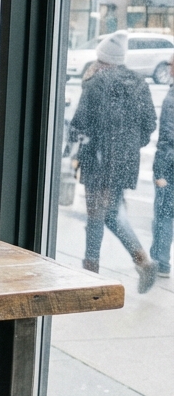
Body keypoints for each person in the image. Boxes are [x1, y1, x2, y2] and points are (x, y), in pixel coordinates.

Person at [69, 30, 157, 291]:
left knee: (97, 215)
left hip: (98, 160)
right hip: (124, 162)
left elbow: (80, 123)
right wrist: (129, 148)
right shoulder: (140, 83)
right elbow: (149, 124)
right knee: (110, 213)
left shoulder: (96, 82)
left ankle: (92, 272)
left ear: (103, 58)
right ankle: (141, 261)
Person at [153, 56, 174, 279]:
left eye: (170, 64)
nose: (168, 67)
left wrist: (160, 172)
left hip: (170, 167)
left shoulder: (172, 98)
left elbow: (167, 138)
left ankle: (162, 261)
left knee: (164, 215)